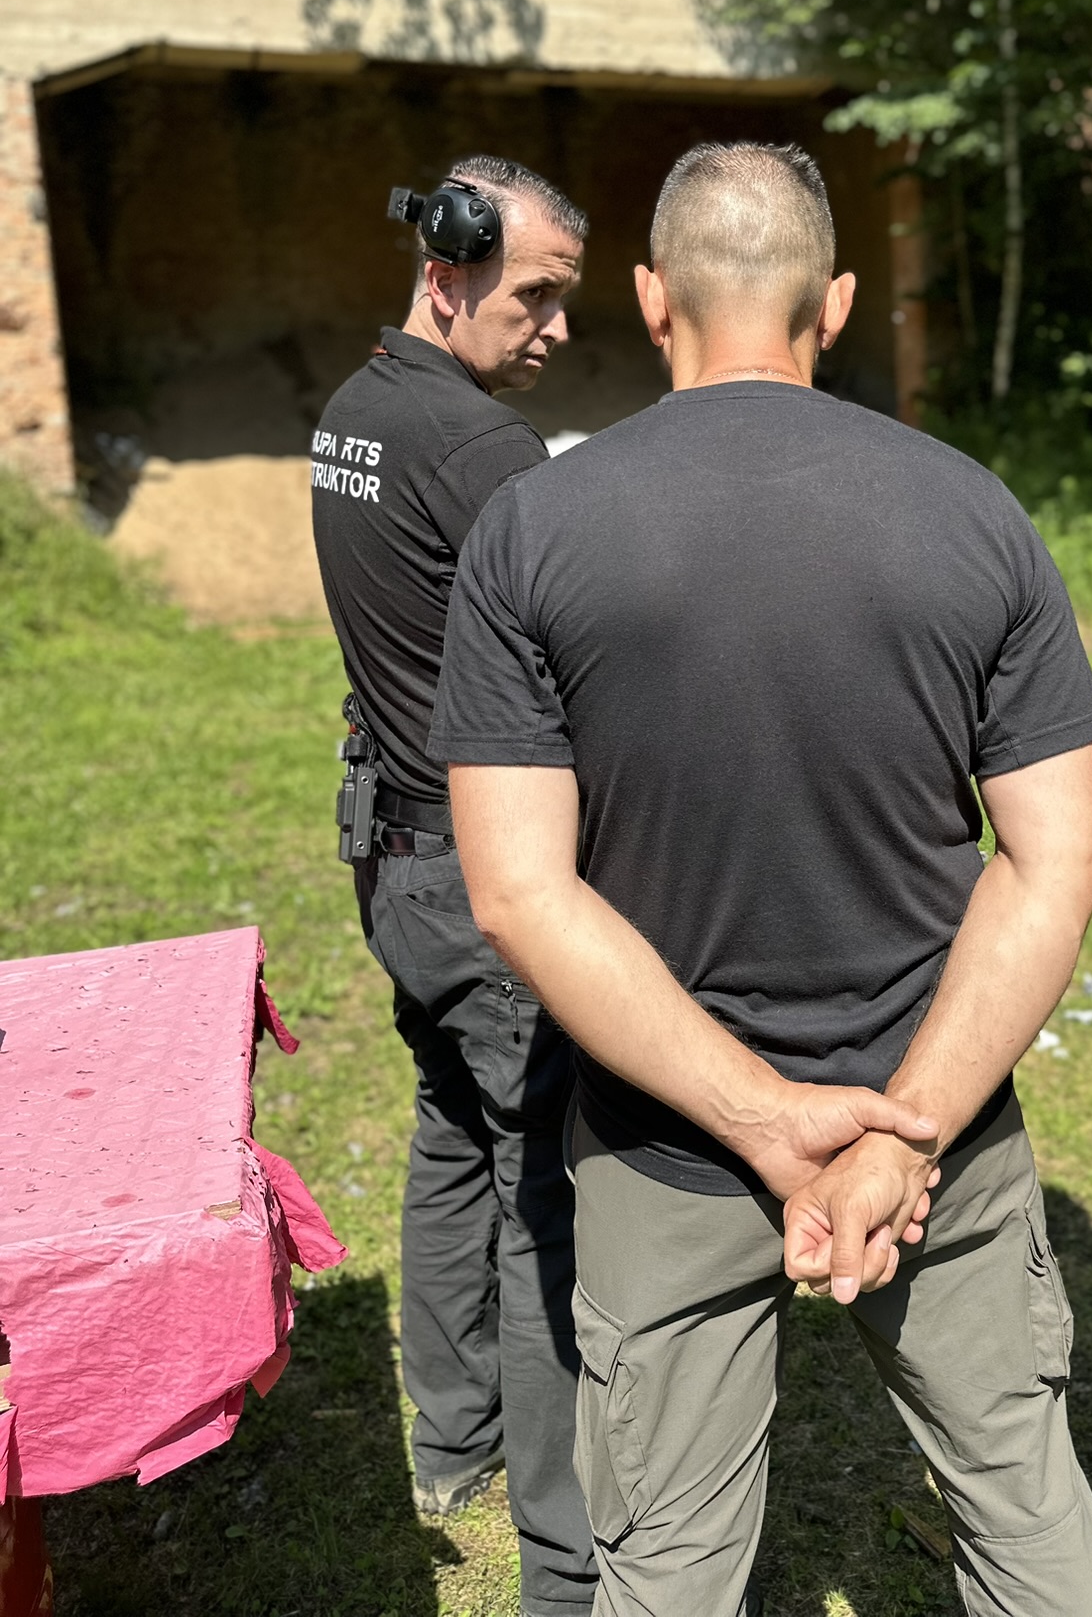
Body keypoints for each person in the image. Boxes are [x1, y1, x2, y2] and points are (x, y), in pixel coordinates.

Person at [429, 140, 1092, 1617]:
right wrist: (904, 1129)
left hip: (666, 1140)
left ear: (648, 296)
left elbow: (518, 893)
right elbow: (1057, 858)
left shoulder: (532, 528)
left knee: (665, 1570)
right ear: (838, 300)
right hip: (935, 1130)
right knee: (1024, 1510)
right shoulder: (974, 509)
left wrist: (764, 1121)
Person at [310, 154, 597, 1617]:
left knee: (451, 1135)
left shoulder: (352, 414)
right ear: (451, 265)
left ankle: (452, 1442)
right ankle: (565, 1551)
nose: (556, 327)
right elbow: (578, 647)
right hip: (481, 877)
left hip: (393, 863)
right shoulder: (481, 447)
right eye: (535, 295)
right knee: (546, 1185)